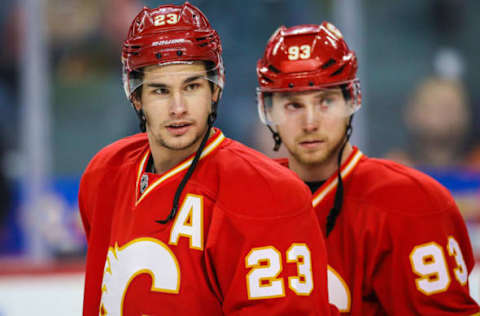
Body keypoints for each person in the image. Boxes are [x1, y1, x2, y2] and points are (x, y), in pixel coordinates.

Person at [79, 3, 334, 315]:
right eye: (160, 91)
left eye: (192, 87)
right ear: (135, 96)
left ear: (216, 88)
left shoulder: (268, 193)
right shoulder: (106, 173)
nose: (178, 108)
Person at [256, 22, 480, 315]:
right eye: (293, 105)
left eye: (326, 101)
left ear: (353, 99)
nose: (310, 122)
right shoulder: (243, 201)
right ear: (267, 110)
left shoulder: (415, 203)